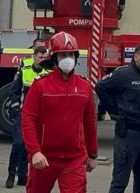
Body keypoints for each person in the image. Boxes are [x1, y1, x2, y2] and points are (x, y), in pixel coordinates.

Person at [20, 31, 98, 193]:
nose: (68, 59)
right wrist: (34, 152)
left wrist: (92, 154)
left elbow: (90, 121)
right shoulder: (40, 86)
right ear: (54, 58)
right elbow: (28, 120)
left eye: (71, 54)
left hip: (74, 159)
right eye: (63, 55)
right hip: (44, 158)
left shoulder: (84, 87)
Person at [97, 41, 140, 193]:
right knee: (119, 182)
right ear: (136, 57)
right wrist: (114, 109)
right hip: (127, 135)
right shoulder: (123, 74)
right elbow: (101, 87)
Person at [7, 41, 50, 188]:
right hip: (23, 113)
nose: (43, 60)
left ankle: (22, 176)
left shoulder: (48, 74)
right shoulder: (25, 70)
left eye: (45, 57)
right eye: (40, 57)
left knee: (29, 147)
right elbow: (13, 91)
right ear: (34, 57)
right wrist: (16, 109)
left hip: (39, 117)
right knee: (18, 144)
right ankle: (11, 174)